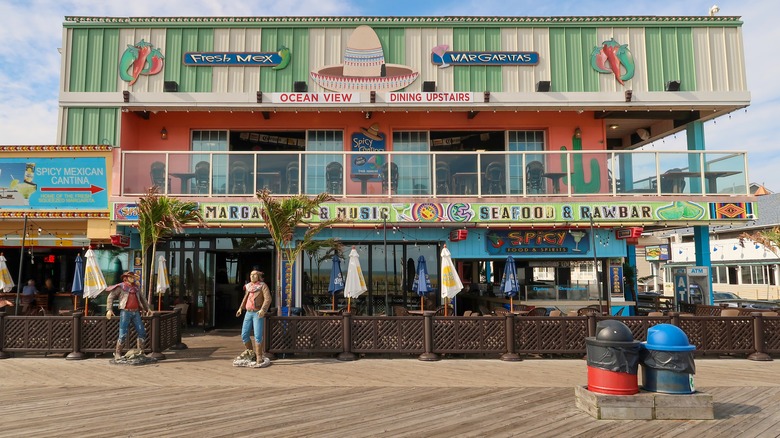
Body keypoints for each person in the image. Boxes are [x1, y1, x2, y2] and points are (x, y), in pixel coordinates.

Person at [106, 271, 152, 360]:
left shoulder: (136, 288)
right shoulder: (121, 287)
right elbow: (110, 297)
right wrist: (109, 309)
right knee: (122, 334)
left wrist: (148, 309)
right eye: (130, 277)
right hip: (125, 312)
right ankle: (118, 354)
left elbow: (143, 299)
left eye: (132, 277)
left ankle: (140, 352)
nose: (132, 278)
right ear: (125, 278)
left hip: (136, 312)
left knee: (142, 332)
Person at [235, 270, 272, 368]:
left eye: (254, 274)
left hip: (257, 313)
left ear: (259, 276)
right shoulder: (249, 286)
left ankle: (259, 355)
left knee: (258, 335)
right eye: (251, 274)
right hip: (248, 312)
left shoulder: (263, 286)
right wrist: (240, 308)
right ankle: (251, 353)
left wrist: (263, 310)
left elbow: (268, 299)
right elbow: (245, 298)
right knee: (244, 334)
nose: (252, 276)